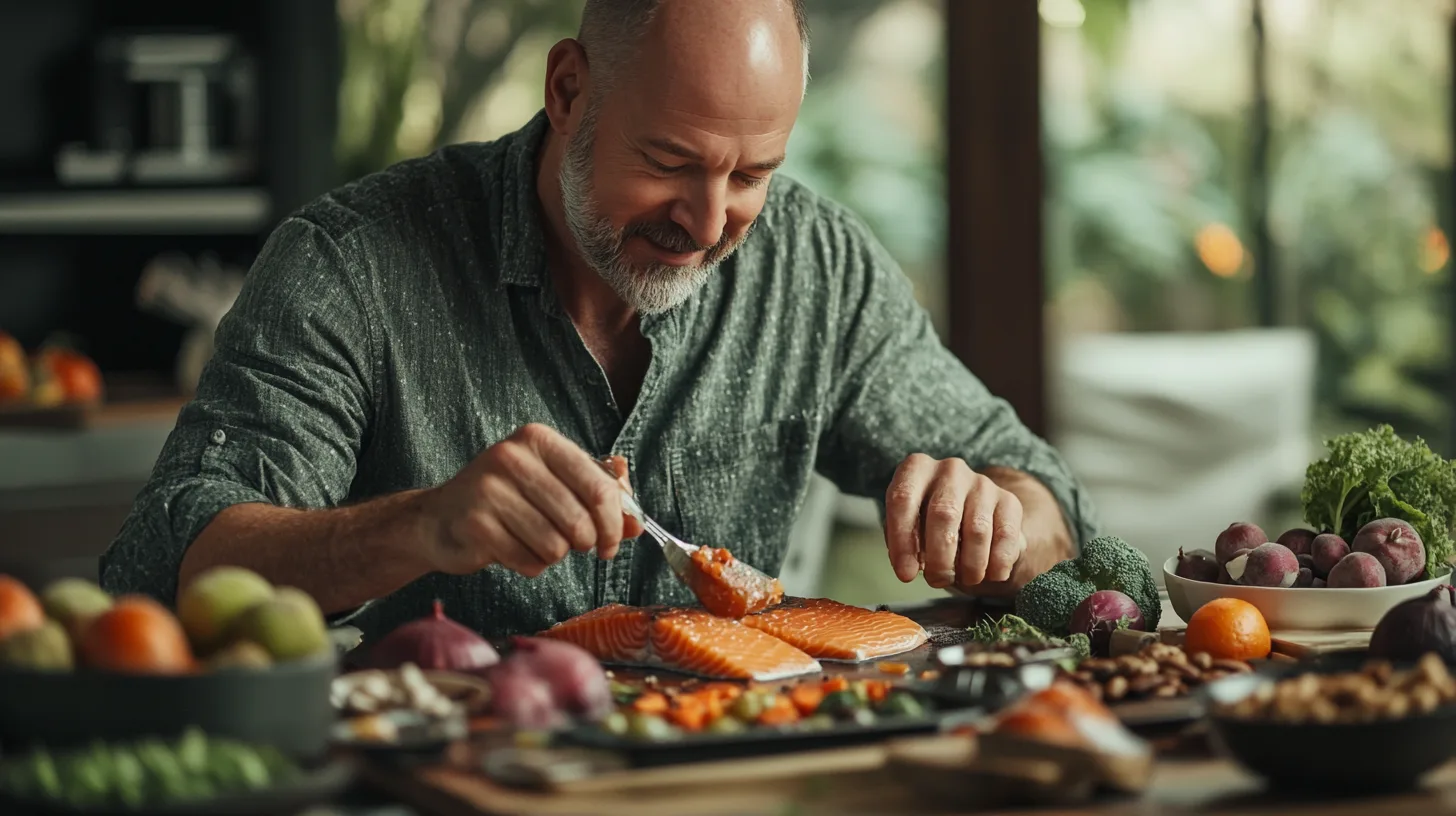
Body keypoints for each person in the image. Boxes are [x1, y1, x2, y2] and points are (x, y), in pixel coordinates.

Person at [100, 0, 1098, 641]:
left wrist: (1005, 518)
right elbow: (164, 569)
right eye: (670, 160)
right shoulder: (348, 265)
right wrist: (420, 525)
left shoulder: (815, 267)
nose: (710, 224)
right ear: (569, 89)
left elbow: (1061, 523)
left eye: (752, 174)